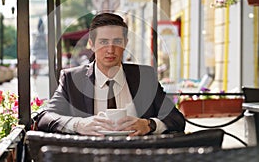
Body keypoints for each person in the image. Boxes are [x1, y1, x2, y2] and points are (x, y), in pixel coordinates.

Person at [37, 13, 185, 136]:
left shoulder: (145, 77)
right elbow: (45, 118)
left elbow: (176, 119)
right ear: (92, 44)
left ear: (125, 43)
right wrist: (78, 125)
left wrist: (149, 124)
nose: (110, 49)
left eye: (117, 41)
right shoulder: (72, 79)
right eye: (103, 42)